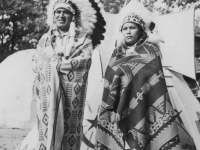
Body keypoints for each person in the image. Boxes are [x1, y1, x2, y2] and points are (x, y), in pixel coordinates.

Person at [16, 0, 106, 150]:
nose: (61, 15)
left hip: (72, 99)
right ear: (53, 15)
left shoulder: (83, 39)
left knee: (69, 133)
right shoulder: (45, 39)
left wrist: (55, 65)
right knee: (47, 131)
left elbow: (84, 62)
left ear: (73, 17)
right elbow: (36, 62)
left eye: (65, 12)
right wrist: (52, 65)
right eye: (58, 12)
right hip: (48, 98)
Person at [95, 1, 182, 150]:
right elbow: (109, 80)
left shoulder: (150, 51)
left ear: (141, 30)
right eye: (125, 28)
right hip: (116, 113)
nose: (128, 31)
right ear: (121, 32)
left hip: (143, 108)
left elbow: (153, 84)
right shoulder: (116, 54)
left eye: (132, 28)